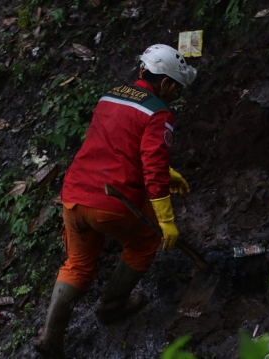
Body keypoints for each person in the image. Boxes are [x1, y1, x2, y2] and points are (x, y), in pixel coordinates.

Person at [33, 44, 197, 358]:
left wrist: (167, 169)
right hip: (110, 202)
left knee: (78, 264)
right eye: (175, 87)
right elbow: (152, 173)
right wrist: (167, 222)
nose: (174, 94)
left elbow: (114, 142)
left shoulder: (111, 95)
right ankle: (112, 307)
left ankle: (49, 337)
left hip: (74, 196)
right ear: (165, 84)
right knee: (144, 241)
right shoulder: (159, 113)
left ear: (141, 71)